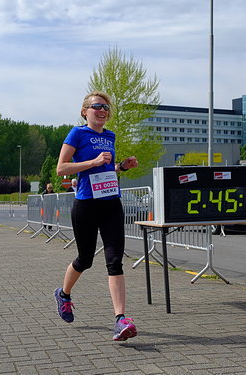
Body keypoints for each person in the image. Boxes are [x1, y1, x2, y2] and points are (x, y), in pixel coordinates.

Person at [54, 90, 139, 341]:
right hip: (86, 204)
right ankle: (64, 294)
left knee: (115, 261)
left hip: (111, 202)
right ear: (85, 111)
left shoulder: (110, 136)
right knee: (85, 259)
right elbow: (62, 169)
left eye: (106, 108)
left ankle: (120, 319)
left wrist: (121, 166)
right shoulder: (77, 133)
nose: (103, 111)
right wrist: (91, 162)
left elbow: (106, 167)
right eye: (97, 106)